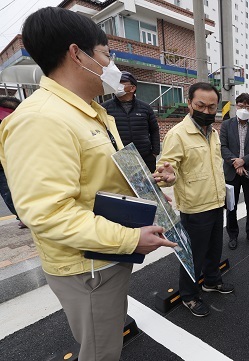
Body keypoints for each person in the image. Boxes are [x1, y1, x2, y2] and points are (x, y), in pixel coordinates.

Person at [0, 8, 175, 360]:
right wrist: (129, 238)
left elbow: (99, 177)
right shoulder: (41, 120)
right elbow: (48, 213)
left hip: (106, 254)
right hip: (88, 267)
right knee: (101, 351)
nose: (113, 66)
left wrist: (147, 181)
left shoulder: (91, 110)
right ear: (76, 54)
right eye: (106, 54)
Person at [154, 82, 234, 317]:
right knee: (193, 255)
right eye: (201, 105)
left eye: (212, 107)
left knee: (213, 249)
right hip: (195, 207)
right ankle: (189, 295)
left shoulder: (214, 132)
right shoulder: (177, 134)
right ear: (189, 103)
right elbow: (168, 169)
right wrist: (168, 176)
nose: (207, 111)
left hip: (216, 202)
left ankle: (211, 280)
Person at [220, 93, 249, 250]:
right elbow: (223, 147)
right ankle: (232, 235)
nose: (244, 109)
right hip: (231, 172)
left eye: (248, 107)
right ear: (236, 106)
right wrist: (236, 163)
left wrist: (243, 161)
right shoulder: (226, 124)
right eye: (241, 105)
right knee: (231, 206)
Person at [102, 71, 160, 172]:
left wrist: (155, 152)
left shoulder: (145, 108)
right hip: (118, 158)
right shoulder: (105, 108)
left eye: (121, 83)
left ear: (132, 88)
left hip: (144, 157)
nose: (117, 86)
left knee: (147, 186)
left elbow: (154, 130)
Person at [0, 96, 26, 229]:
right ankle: (22, 216)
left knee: (10, 191)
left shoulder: (6, 114)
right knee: (7, 192)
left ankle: (25, 216)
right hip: (7, 160)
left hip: (12, 159)